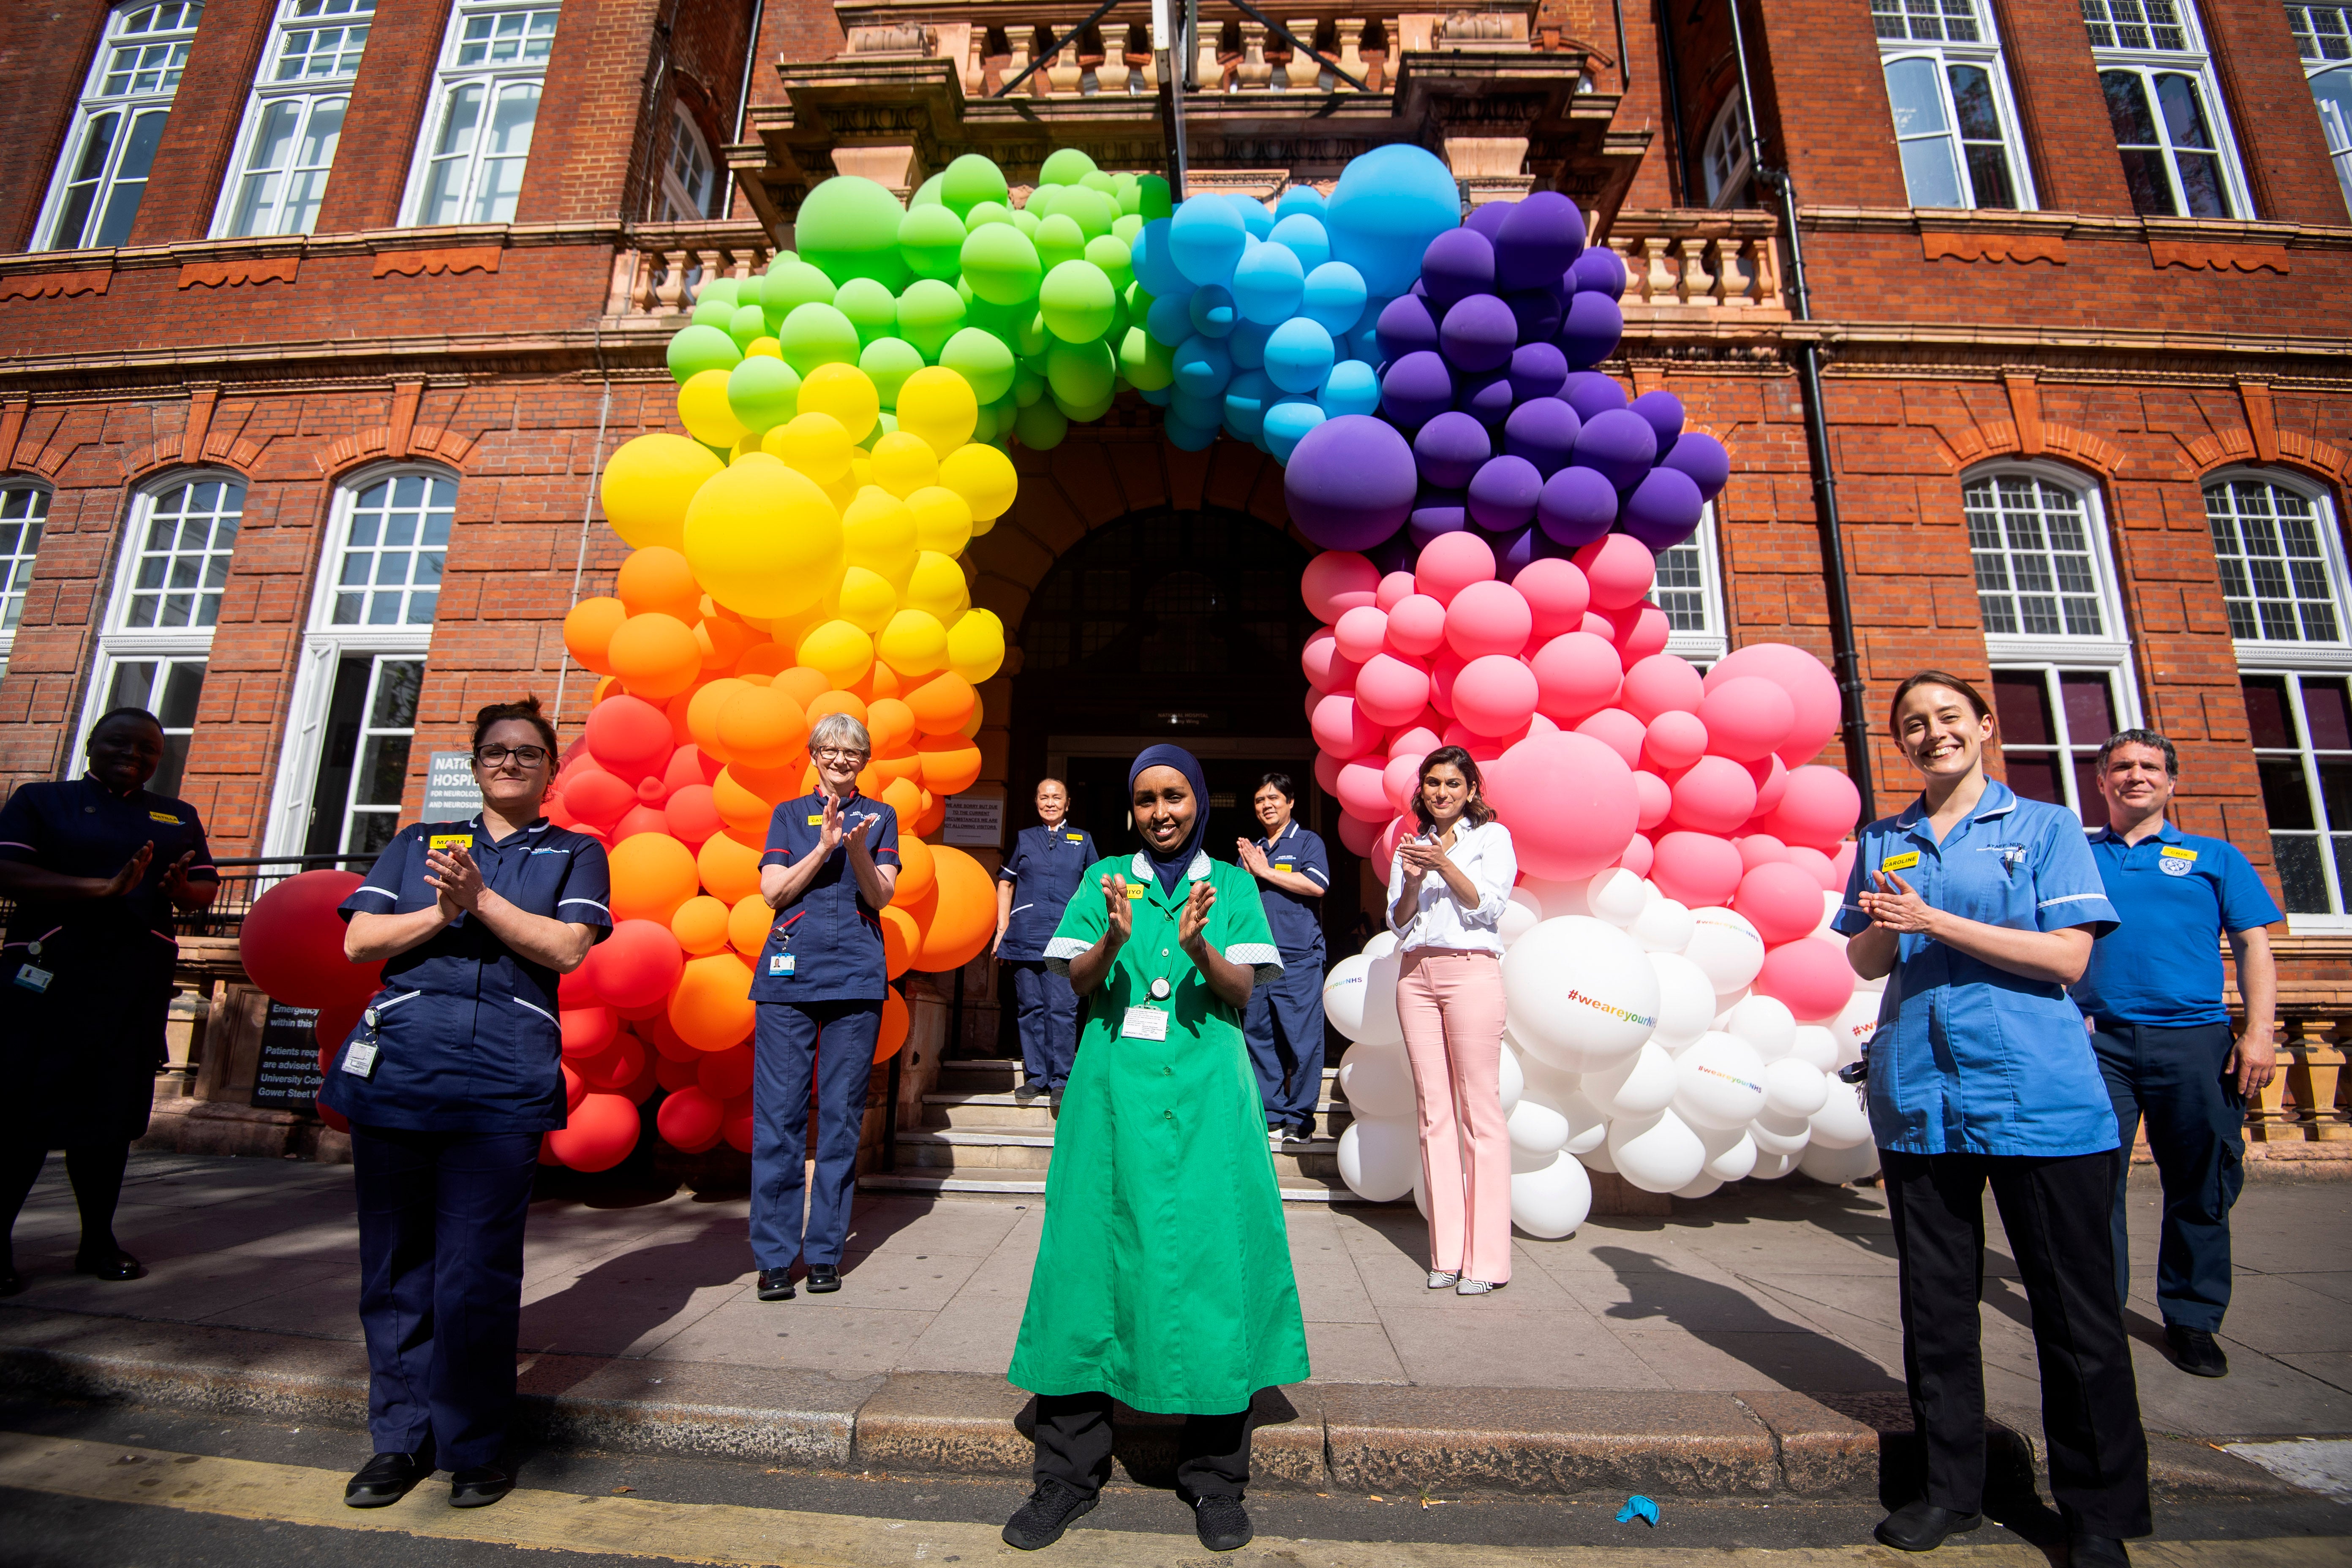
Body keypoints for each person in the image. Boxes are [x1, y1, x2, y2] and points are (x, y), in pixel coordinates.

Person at [1835, 671, 2147, 1566]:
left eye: (1946, 719)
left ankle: (2096, 1509)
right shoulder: (1885, 837)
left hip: (2039, 1098)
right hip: (1922, 1097)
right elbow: (1861, 959)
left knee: (2075, 1313)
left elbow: (2065, 954)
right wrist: (1894, 924)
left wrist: (1937, 917)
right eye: (1913, 726)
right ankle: (1949, 1490)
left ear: (1983, 725)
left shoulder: (2045, 828)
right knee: (1936, 1311)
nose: (1932, 735)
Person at [1000, 744, 1307, 1556]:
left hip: (1207, 1099)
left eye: (1173, 797)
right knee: (1086, 1269)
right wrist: (1110, 936)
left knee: (1210, 1265)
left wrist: (1202, 945)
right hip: (1109, 1100)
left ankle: (1213, 1478)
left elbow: (1240, 989)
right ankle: (1064, 1477)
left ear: (1198, 802)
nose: (1160, 812)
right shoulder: (1103, 875)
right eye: (1144, 800)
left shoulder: (1233, 883)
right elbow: (1074, 980)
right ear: (1130, 809)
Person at [328, 697, 610, 1510]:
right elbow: (358, 941)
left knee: (475, 1274)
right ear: (475, 761)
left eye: (528, 752)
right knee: (393, 1271)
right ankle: (398, 1441)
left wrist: (479, 902)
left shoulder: (574, 852)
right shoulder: (422, 843)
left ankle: (474, 1445)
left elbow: (564, 946)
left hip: (499, 1087)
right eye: (495, 750)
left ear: (552, 768)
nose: (510, 762)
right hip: (400, 1080)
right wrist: (441, 909)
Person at [2071, 728, 2280, 1380]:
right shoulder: (2076, 855)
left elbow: (2253, 948)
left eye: (2150, 767)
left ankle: (2192, 1319)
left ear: (2171, 781)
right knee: (2088, 1186)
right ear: (2101, 782)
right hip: (2096, 1043)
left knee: (2202, 1184)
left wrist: (2260, 1031)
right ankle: (2098, 1316)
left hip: (2196, 1043)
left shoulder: (2214, 857)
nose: (2137, 776)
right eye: (2123, 767)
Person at [0, 708, 218, 1294]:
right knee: (22, 1114)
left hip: (132, 983)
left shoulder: (177, 815)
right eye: (120, 742)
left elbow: (204, 888)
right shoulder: (43, 801)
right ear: (93, 743)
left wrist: (179, 890)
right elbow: (7, 871)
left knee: (111, 1115)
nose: (134, 755)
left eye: (148, 749)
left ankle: (96, 1240)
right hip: (48, 976)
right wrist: (99, 889)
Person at [747, 711, 899, 1303]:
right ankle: (775, 1258)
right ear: (813, 755)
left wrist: (857, 850)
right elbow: (774, 893)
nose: (841, 759)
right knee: (780, 1120)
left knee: (839, 1120)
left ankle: (827, 1253)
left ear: (864, 761)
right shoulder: (788, 815)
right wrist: (825, 847)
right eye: (831, 750)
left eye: (853, 752)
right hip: (787, 982)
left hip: (857, 981)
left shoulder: (881, 816)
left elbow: (881, 894)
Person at [1386, 746, 1517, 1297]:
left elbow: (1488, 907)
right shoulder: (1409, 844)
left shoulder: (1492, 839)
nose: (1441, 793)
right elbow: (1398, 920)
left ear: (1470, 791)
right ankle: (1445, 1254)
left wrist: (1444, 864)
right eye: (1433, 784)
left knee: (1478, 1111)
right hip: (1415, 974)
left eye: (1452, 785)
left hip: (1471, 972)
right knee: (1432, 1113)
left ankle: (1486, 1261)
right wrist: (1415, 878)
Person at [1238, 772, 1330, 1143]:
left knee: (1302, 1037)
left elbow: (1317, 885)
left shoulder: (1307, 842)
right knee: (1259, 1034)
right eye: (1260, 800)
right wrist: (1248, 873)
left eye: (1274, 798)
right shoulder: (1255, 848)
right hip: (1259, 956)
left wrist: (1264, 871)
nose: (1267, 806)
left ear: (1291, 803)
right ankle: (1272, 1111)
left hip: (1298, 956)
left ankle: (1300, 1116)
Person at [995, 778, 1095, 1103]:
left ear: (1068, 804)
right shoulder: (1025, 839)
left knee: (1063, 1010)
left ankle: (1062, 1080)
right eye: (1044, 797)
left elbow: (1095, 888)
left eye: (1057, 798)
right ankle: (1036, 1077)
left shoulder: (1083, 840)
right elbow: (1006, 884)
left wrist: (1095, 935)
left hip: (1067, 941)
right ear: (1037, 802)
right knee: (1031, 1008)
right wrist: (1002, 929)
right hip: (1025, 937)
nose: (1050, 803)